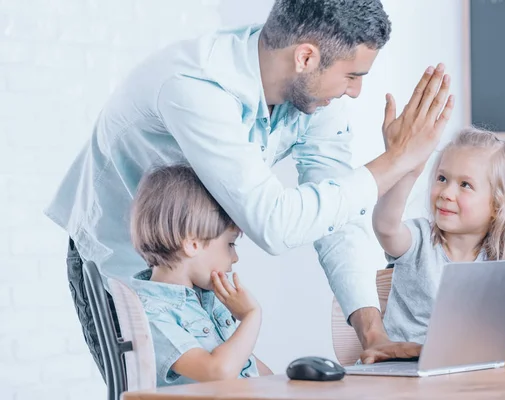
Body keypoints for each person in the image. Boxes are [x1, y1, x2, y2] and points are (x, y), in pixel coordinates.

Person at [45, 0, 454, 377]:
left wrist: (372, 333)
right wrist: (396, 160)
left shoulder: (313, 99)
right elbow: (275, 225)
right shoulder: (193, 86)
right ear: (306, 57)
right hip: (121, 264)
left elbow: (338, 215)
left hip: (198, 267)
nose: (354, 91)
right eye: (351, 75)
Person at [367, 127, 505, 364]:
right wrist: (406, 169)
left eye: (465, 185)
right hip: (400, 369)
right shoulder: (418, 239)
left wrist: (470, 339)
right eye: (442, 178)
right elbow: (385, 226)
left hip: (464, 371)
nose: (446, 192)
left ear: (498, 204)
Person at [129, 164, 271, 385]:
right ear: (193, 244)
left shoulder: (207, 300)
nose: (235, 258)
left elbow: (248, 366)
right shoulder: (151, 314)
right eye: (230, 244)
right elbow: (216, 372)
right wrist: (252, 316)